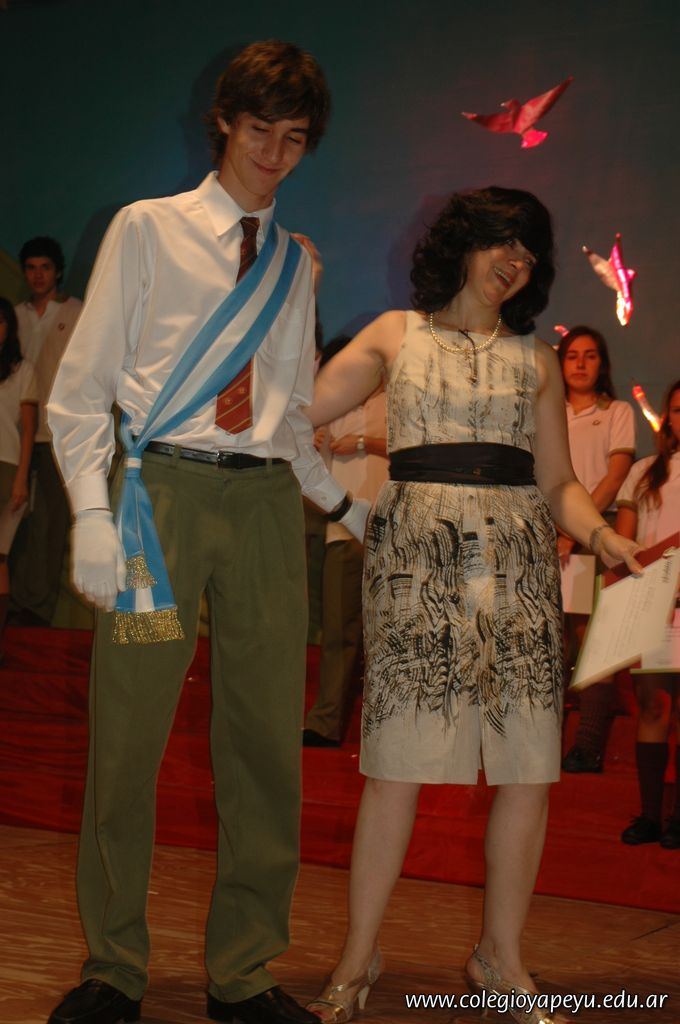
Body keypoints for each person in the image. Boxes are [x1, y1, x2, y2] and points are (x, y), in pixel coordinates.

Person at [45, 40, 368, 1024]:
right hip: (162, 506)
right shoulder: (147, 229)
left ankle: (245, 970)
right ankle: (112, 967)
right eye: (259, 130)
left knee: (266, 743)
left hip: (266, 511)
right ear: (223, 121)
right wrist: (92, 512)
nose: (273, 155)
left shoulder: (295, 264)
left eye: (295, 139)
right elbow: (80, 391)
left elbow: (289, 421)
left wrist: (351, 509)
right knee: (129, 733)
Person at [302, 187, 641, 1024]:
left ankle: (501, 957)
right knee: (394, 766)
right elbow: (292, 413)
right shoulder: (395, 334)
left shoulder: (535, 360)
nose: (516, 260)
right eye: (502, 240)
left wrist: (603, 536)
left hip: (520, 566)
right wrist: (348, 510)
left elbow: (557, 482)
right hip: (417, 562)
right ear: (461, 242)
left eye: (529, 250)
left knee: (528, 769)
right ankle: (357, 958)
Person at [556, 327, 635, 774]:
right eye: (572, 356)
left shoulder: (617, 411)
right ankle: (542, 738)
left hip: (591, 539)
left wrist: (577, 528)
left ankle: (586, 745)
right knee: (549, 639)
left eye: (589, 355)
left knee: (591, 639)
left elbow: (615, 475)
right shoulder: (549, 413)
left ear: (602, 363)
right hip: (548, 537)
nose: (581, 364)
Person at [304, 336, 388, 747]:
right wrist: (316, 447)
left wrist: (363, 443)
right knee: (338, 629)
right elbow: (317, 477)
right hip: (343, 529)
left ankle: (389, 727)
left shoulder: (398, 401)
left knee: (391, 631)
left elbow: (418, 450)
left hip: (394, 530)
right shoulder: (334, 406)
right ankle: (327, 721)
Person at [616, 379, 680, 848]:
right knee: (654, 707)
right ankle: (650, 816)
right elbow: (623, 540)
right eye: (678, 409)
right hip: (655, 603)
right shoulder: (644, 471)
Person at [10, 237, 81, 625]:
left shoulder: (75, 312)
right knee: (13, 523)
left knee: (51, 525)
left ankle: (37, 611)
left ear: (57, 271)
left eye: (45, 268)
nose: (38, 275)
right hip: (13, 434)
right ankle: (12, 602)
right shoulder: (14, 315)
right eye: (31, 268)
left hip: (56, 435)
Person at [0, 298, 38, 658]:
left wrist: (21, 478)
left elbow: (28, 431)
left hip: (7, 466)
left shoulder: (22, 369)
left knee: (0, 557)